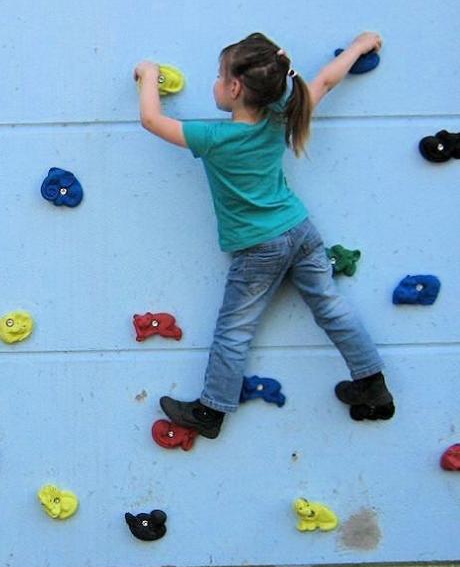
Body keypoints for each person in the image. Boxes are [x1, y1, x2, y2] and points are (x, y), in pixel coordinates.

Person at [133, 32, 393, 439]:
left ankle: (211, 411)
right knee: (330, 305)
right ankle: (373, 382)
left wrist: (148, 74)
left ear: (235, 88)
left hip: (260, 248)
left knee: (235, 328)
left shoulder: (213, 137)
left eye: (219, 77)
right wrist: (360, 47)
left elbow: (151, 120)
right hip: (301, 230)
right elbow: (323, 81)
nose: (215, 83)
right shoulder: (281, 115)